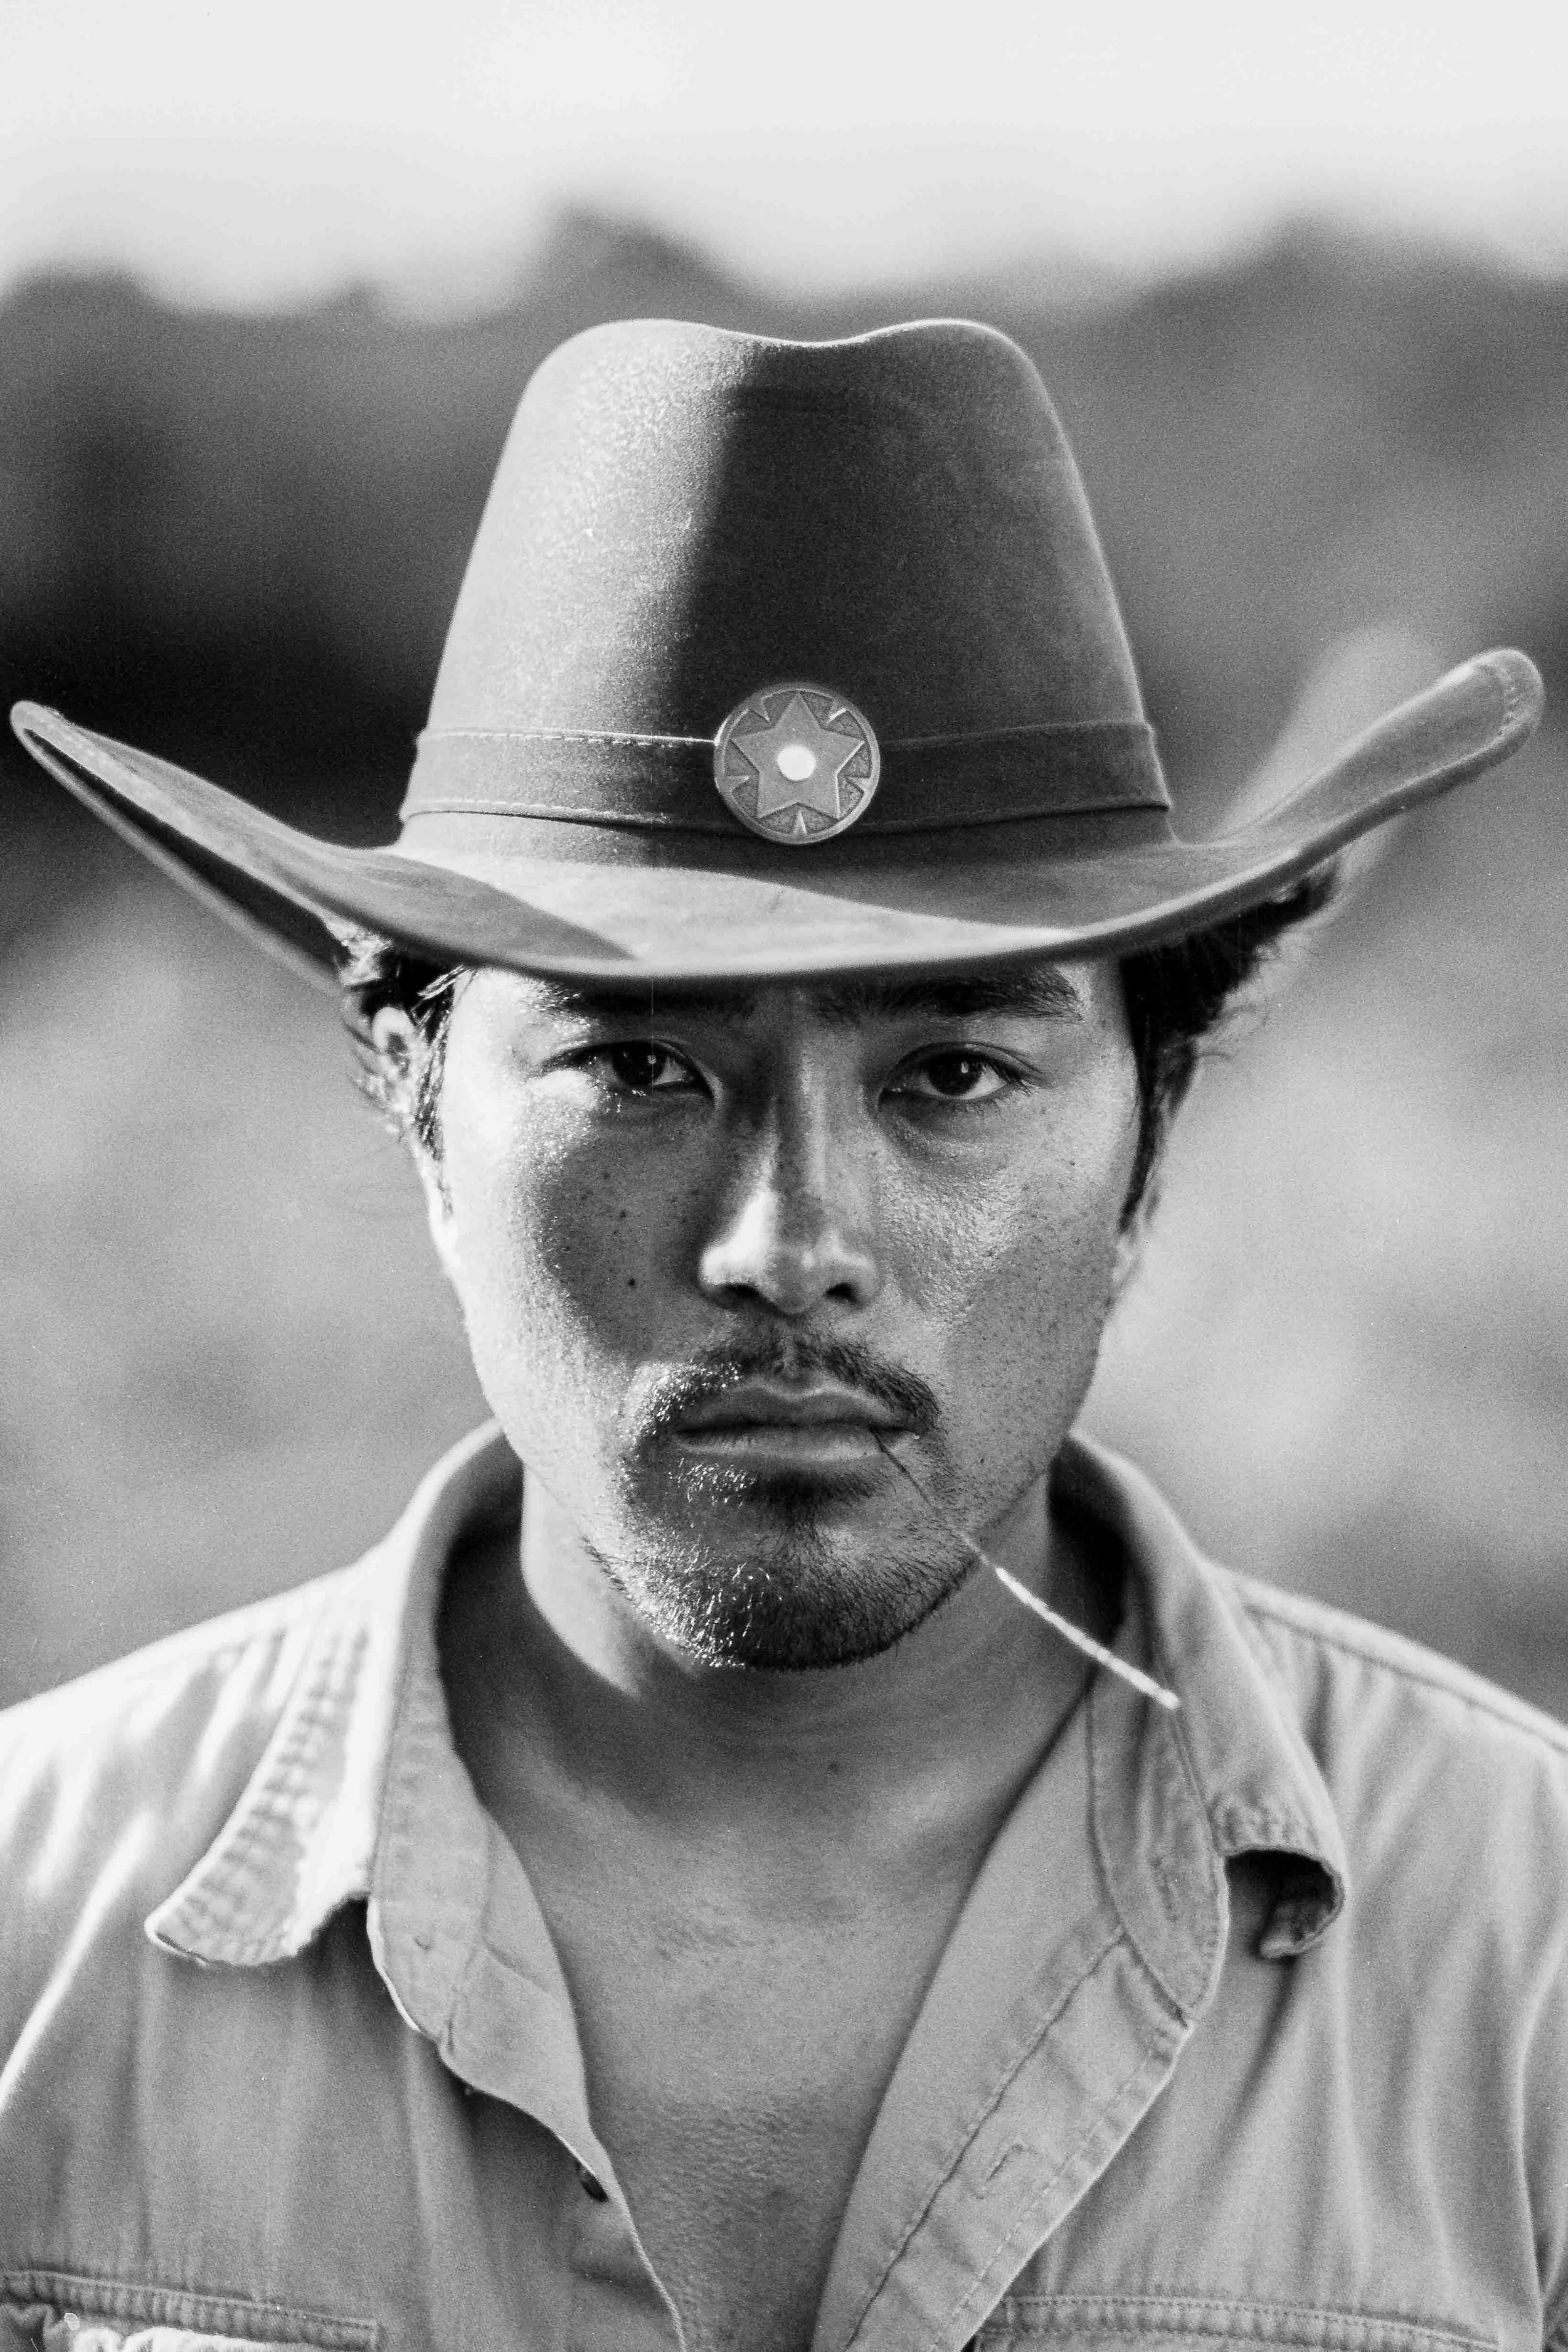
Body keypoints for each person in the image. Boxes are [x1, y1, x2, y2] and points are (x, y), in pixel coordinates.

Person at [0, 317, 1559, 2352]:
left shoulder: (1520, 1960)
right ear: (420, 1115)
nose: (790, 1239)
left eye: (953, 1079)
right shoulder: (41, 1932)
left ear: (1148, 1145)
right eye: (640, 1063)